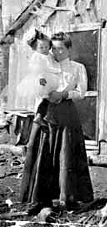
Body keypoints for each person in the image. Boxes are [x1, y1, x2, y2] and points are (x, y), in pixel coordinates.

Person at [19, 32, 93, 214]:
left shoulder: (77, 68)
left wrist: (64, 94)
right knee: (42, 152)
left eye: (61, 48)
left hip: (67, 112)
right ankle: (39, 199)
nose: (57, 52)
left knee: (66, 153)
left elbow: (81, 91)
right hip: (46, 112)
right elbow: (35, 82)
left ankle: (69, 198)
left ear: (69, 48)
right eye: (54, 48)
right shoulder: (44, 62)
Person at [16, 30, 61, 117]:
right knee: (41, 97)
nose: (44, 49)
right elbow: (36, 68)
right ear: (36, 48)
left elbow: (54, 64)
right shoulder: (37, 56)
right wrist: (40, 77)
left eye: (46, 47)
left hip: (52, 77)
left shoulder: (50, 55)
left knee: (50, 97)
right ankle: (39, 114)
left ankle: (46, 115)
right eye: (41, 47)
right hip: (42, 78)